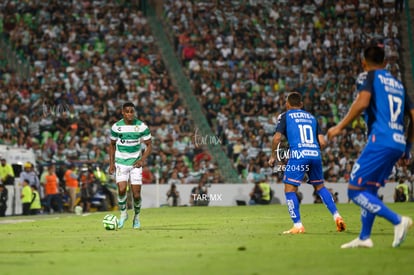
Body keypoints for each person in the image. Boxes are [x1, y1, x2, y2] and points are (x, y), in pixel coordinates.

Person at [327, 46, 413, 248]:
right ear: (385, 63)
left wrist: (340, 126)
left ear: (363, 63)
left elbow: (363, 102)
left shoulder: (370, 77)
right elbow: (413, 117)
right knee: (370, 189)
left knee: (355, 190)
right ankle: (365, 237)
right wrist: (407, 147)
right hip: (398, 142)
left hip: (381, 140)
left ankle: (398, 220)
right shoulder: (399, 85)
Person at [268, 92, 346, 234]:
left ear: (287, 104)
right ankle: (337, 216)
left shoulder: (285, 116)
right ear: (301, 105)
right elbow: (322, 142)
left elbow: (276, 139)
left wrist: (273, 156)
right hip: (315, 154)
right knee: (320, 187)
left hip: (299, 154)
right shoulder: (312, 118)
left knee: (290, 190)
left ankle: (297, 225)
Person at [108, 102, 152, 229]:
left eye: (131, 111)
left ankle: (136, 217)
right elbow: (111, 145)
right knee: (121, 189)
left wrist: (142, 160)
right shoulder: (116, 127)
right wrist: (111, 164)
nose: (129, 114)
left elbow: (149, 145)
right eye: (127, 111)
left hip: (135, 164)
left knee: (136, 194)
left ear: (134, 112)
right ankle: (123, 214)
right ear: (122, 112)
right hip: (121, 162)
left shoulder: (141, 126)